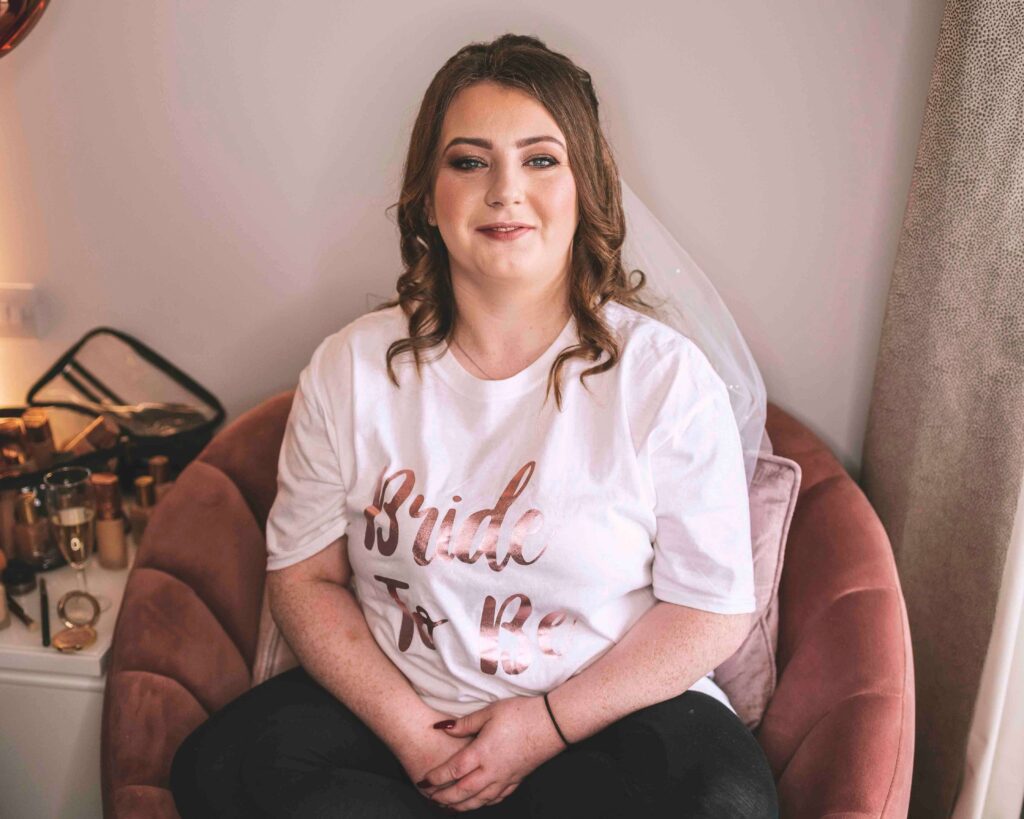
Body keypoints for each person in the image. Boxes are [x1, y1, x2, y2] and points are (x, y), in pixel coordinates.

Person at [169, 33, 780, 818]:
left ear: (585, 186)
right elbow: (304, 577)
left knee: (721, 799)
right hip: (401, 719)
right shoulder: (349, 370)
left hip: (602, 722)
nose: (504, 191)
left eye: (539, 159)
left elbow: (711, 609)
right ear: (429, 193)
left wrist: (543, 726)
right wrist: (415, 734)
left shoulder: (663, 378)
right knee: (220, 768)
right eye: (468, 161)